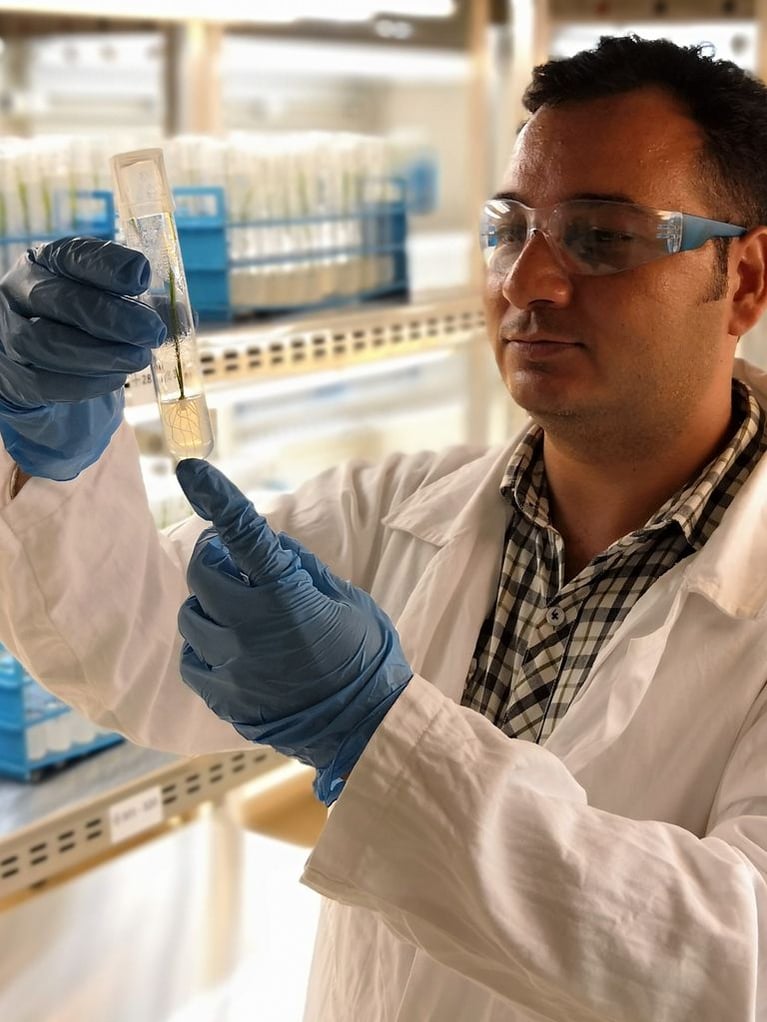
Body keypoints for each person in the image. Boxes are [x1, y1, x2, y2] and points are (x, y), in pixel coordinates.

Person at [0, 32, 766, 1020]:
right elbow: (140, 654)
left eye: (600, 236)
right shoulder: (391, 512)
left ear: (742, 281)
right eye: (507, 227)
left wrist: (377, 733)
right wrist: (48, 452)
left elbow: (733, 961)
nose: (525, 281)